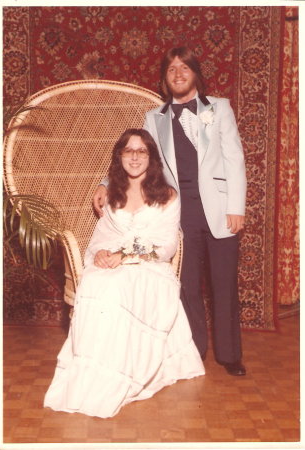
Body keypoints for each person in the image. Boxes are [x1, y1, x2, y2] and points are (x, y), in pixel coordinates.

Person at [93, 47, 247, 377]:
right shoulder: (155, 117)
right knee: (188, 285)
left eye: (184, 67)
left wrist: (236, 207)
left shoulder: (219, 108)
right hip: (182, 213)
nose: (177, 73)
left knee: (223, 283)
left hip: (220, 210)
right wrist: (107, 182)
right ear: (165, 79)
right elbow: (137, 153)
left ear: (195, 73)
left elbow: (234, 158)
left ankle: (230, 355)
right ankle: (195, 349)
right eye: (171, 69)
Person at [44, 128, 204, 418]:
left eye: (141, 151)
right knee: (95, 283)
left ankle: (120, 373)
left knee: (119, 288)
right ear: (119, 157)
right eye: (128, 151)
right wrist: (102, 254)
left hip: (150, 267)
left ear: (151, 157)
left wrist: (126, 256)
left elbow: (167, 247)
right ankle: (92, 375)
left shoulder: (167, 196)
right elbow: (100, 237)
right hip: (113, 261)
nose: (134, 157)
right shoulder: (112, 195)